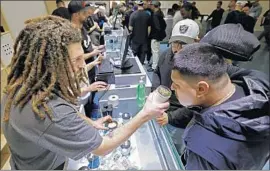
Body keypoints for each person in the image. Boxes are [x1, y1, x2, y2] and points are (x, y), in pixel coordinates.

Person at [1, 15, 169, 170]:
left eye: (82, 57)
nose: (83, 65)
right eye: (77, 60)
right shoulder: (48, 111)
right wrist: (146, 113)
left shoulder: (24, 85)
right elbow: (103, 146)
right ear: (50, 63)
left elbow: (66, 110)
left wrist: (91, 123)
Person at [169, 24, 269, 170]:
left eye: (177, 85)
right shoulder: (259, 83)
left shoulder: (203, 146)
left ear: (202, 89)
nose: (171, 87)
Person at [153, 19, 199, 153]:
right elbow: (156, 72)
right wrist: (157, 92)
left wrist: (171, 117)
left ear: (196, 42)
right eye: (175, 43)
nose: (177, 49)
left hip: (182, 118)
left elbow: (198, 104)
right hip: (163, 110)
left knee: (176, 151)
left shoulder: (200, 66)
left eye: (183, 44)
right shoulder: (165, 54)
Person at [148, 1, 167, 72]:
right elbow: (164, 25)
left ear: (154, 6)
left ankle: (154, 67)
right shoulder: (160, 13)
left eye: (151, 5)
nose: (150, 6)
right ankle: (156, 64)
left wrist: (155, 34)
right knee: (156, 51)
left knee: (155, 51)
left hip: (155, 36)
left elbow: (157, 27)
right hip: (158, 36)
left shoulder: (155, 15)